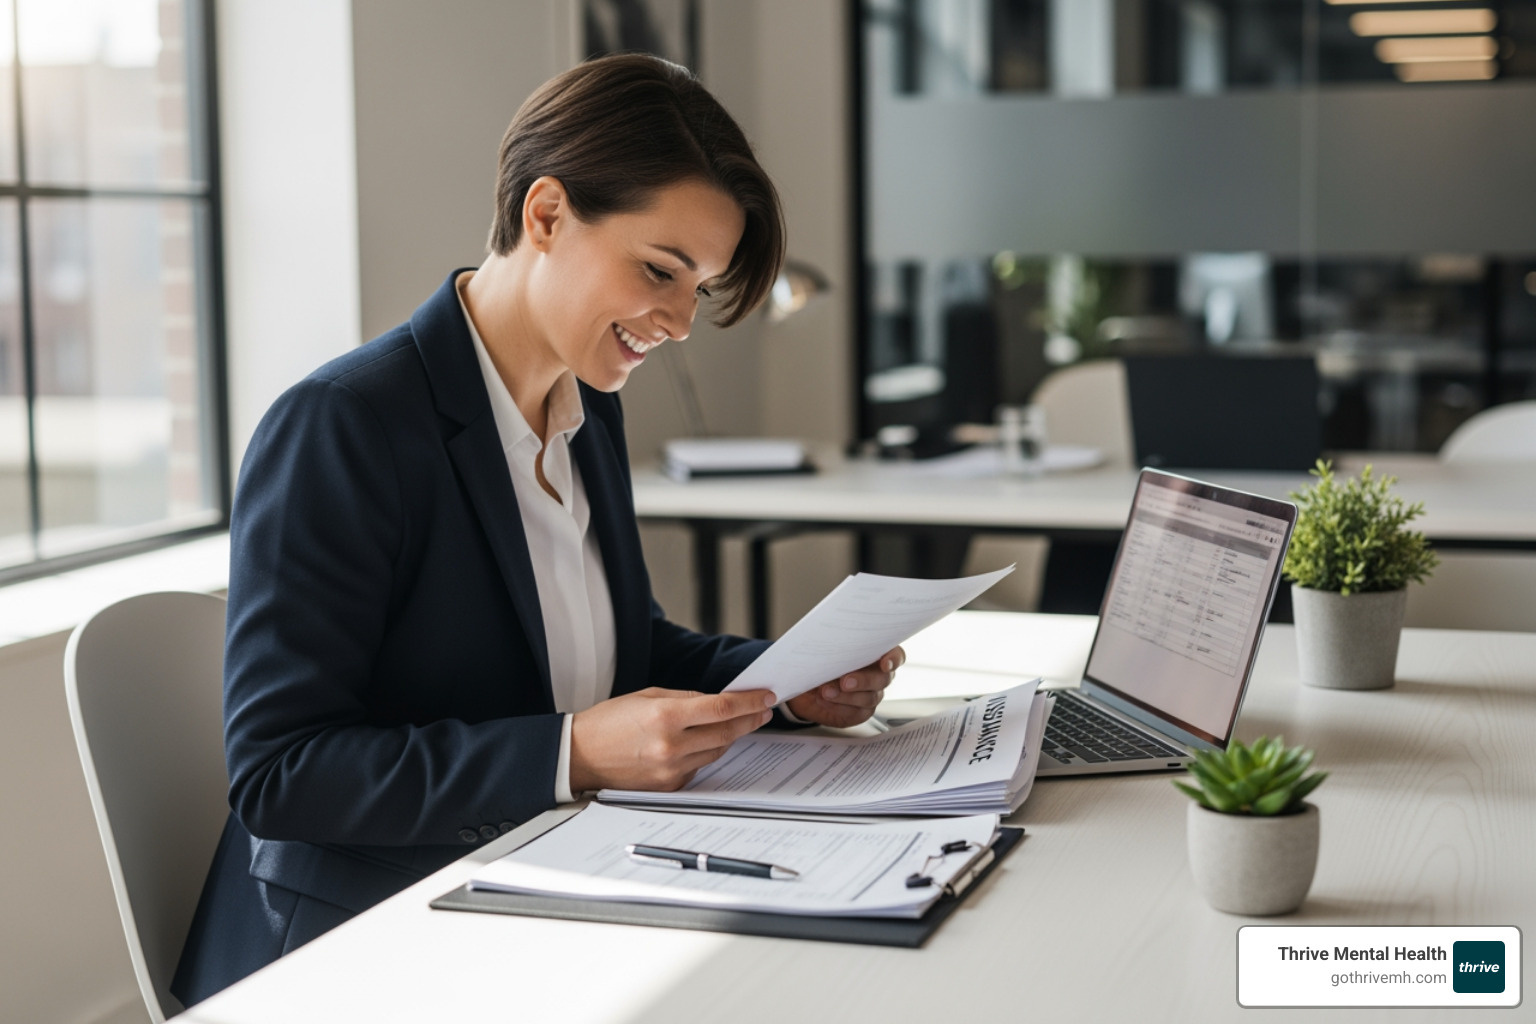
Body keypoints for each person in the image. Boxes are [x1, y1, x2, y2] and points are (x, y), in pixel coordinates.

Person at [171, 54, 901, 1006]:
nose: (680, 322)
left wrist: (790, 683)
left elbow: (619, 652)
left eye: (700, 288)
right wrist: (575, 754)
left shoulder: (584, 406)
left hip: (541, 877)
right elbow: (284, 773)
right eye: (659, 271)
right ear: (546, 214)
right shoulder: (344, 425)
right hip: (355, 938)